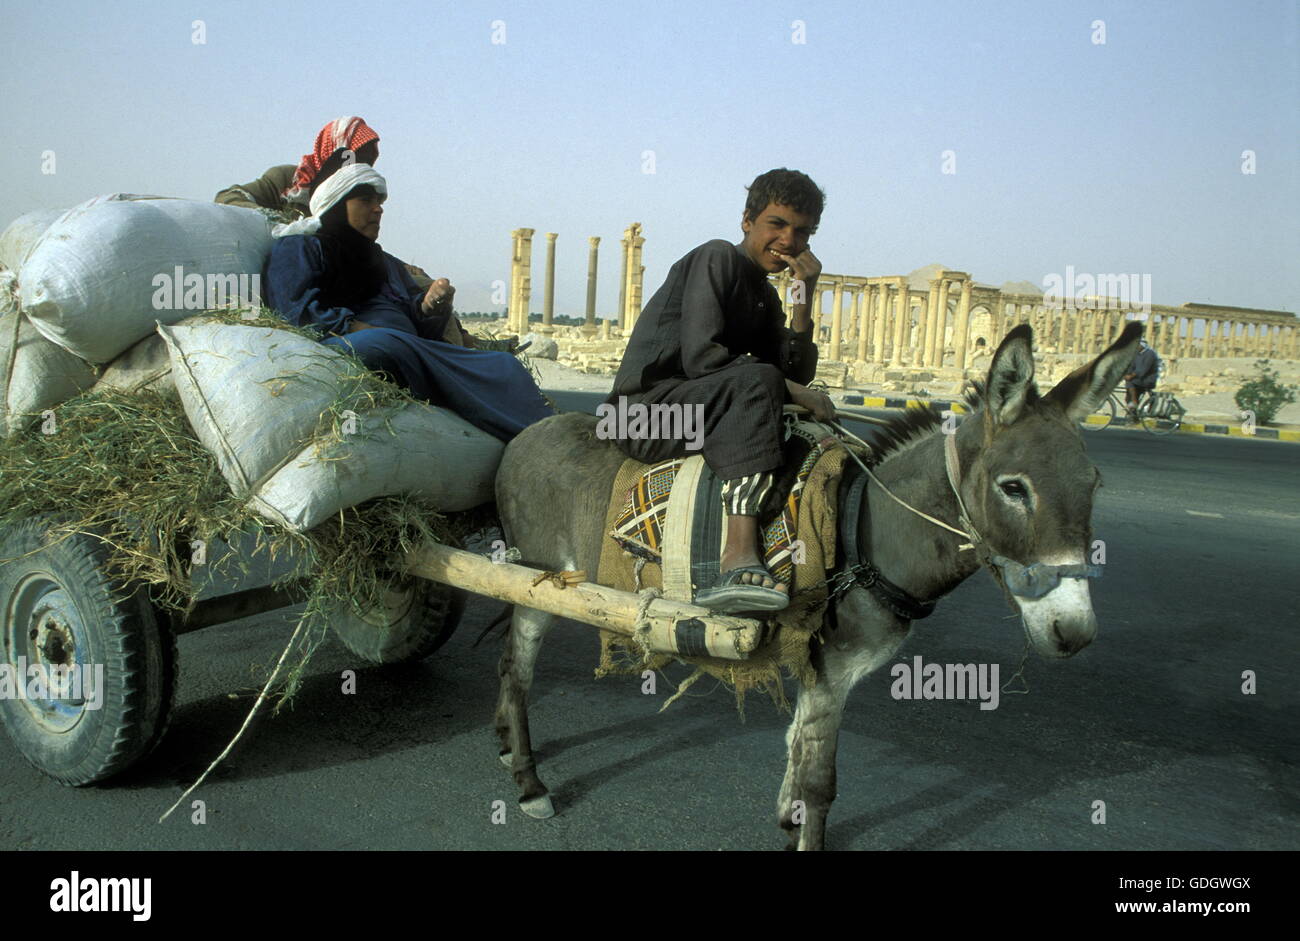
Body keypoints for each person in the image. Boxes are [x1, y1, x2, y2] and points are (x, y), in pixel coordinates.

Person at [604, 168, 834, 613]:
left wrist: (803, 294)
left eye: (803, 231)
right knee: (760, 381)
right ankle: (737, 554)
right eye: (777, 224)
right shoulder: (717, 258)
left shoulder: (764, 295)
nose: (789, 239)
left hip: (699, 411)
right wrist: (787, 389)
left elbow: (794, 375)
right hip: (642, 415)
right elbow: (704, 359)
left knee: (769, 386)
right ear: (747, 220)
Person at [262, 162, 553, 442]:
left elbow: (415, 319)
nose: (378, 209)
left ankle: (546, 431)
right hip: (346, 345)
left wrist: (430, 307)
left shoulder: (382, 261)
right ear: (337, 205)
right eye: (366, 200)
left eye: (380, 202)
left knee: (503, 364)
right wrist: (353, 327)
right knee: (383, 345)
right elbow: (293, 310)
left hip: (409, 346)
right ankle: (519, 430)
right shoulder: (300, 247)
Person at [215, 116, 380, 221]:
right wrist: (281, 222)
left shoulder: (356, 201)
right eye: (357, 158)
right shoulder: (287, 180)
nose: (361, 168)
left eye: (368, 162)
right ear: (335, 150)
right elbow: (228, 198)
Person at [1123, 337, 1159, 420]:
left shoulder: (1150, 354)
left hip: (1148, 379)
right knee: (1127, 397)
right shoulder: (1136, 354)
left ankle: (1134, 401)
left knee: (1130, 383)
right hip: (1138, 379)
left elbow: (1143, 369)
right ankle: (1134, 415)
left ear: (1142, 345)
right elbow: (1131, 366)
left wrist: (1131, 376)